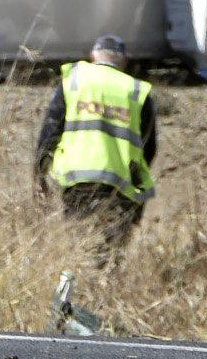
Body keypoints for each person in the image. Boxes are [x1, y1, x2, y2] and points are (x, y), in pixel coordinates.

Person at [35, 35, 157, 267]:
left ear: (93, 56)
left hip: (77, 179)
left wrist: (39, 176)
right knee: (112, 254)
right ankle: (104, 293)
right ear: (124, 61)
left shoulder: (74, 81)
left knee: (79, 246)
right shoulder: (136, 90)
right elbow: (149, 147)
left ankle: (79, 292)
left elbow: (49, 134)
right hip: (121, 185)